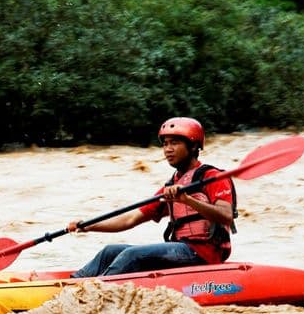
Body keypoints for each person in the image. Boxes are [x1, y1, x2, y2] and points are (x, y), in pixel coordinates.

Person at [68, 117, 236, 278]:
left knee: (131, 255)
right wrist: (89, 226)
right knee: (110, 251)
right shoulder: (171, 185)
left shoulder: (214, 177)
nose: (168, 149)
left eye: (175, 143)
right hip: (179, 249)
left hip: (204, 253)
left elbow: (226, 216)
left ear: (193, 146)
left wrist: (187, 200)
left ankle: (95, 291)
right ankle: (73, 286)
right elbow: (131, 219)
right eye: (165, 144)